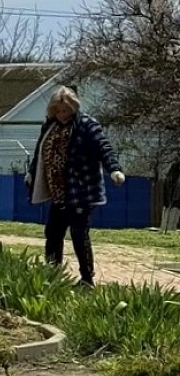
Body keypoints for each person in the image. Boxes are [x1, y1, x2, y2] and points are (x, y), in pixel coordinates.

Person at [26, 86, 125, 288]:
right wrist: (32, 172)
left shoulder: (86, 125)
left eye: (65, 111)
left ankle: (87, 279)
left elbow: (104, 147)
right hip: (58, 192)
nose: (61, 115)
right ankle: (53, 275)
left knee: (79, 234)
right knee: (53, 233)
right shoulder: (50, 126)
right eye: (57, 110)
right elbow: (40, 152)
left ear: (73, 108)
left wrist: (114, 169)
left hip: (80, 191)